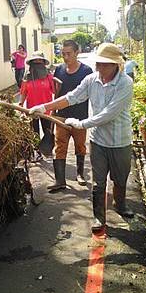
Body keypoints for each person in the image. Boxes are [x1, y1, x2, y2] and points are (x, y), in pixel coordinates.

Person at [29, 43, 134, 232]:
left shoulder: (125, 83)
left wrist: (81, 124)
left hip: (120, 142)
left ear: (115, 65)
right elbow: (72, 97)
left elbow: (109, 113)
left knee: (120, 178)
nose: (99, 68)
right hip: (98, 141)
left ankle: (121, 205)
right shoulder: (91, 79)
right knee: (98, 181)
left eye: (104, 64)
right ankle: (99, 218)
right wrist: (45, 107)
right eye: (98, 64)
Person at [49, 40, 93, 192]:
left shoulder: (86, 71)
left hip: (80, 117)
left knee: (80, 146)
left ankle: (80, 174)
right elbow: (56, 92)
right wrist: (53, 111)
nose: (65, 57)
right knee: (60, 146)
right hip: (61, 116)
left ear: (76, 53)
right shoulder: (59, 69)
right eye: (63, 54)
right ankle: (59, 180)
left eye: (68, 53)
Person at [18, 51, 54, 161]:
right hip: (32, 109)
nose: (37, 62)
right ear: (32, 62)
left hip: (46, 109)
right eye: (35, 60)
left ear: (43, 62)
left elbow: (55, 91)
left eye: (40, 60)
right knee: (35, 132)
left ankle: (47, 150)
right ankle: (37, 152)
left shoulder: (48, 76)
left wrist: (56, 106)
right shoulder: (27, 76)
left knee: (48, 130)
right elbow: (24, 92)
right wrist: (20, 104)